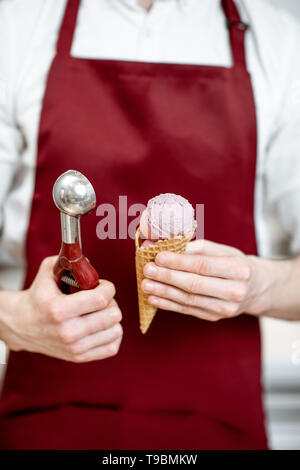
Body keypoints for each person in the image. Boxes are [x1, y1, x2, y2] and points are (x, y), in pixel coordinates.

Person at [0, 0, 299, 450]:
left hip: (216, 424)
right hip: (46, 420)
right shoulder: (19, 27)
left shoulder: (279, 40)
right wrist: (11, 318)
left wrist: (260, 285)